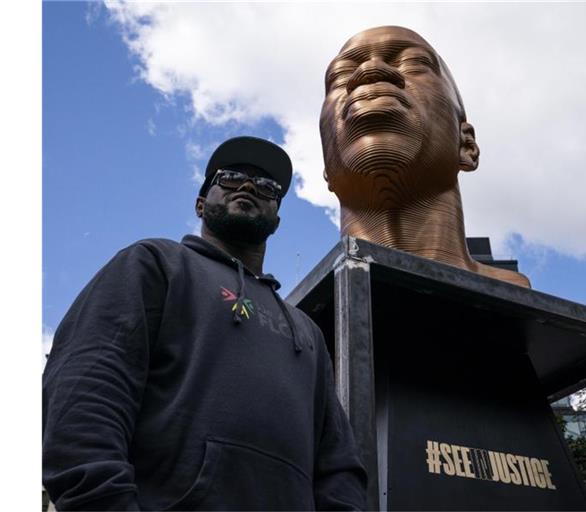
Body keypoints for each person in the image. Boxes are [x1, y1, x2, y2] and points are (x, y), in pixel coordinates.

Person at [42, 136, 367, 511]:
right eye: (228, 177)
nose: (248, 186)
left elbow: (339, 465)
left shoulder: (307, 332)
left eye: (266, 186)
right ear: (200, 204)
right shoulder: (154, 264)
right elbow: (83, 398)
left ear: (276, 221)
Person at [320, 26, 531, 288]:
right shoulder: (299, 325)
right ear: (326, 167)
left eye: (413, 61)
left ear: (467, 145)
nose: (369, 70)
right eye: (340, 75)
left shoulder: (513, 296)